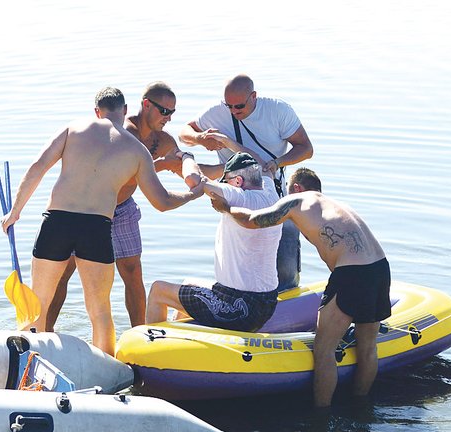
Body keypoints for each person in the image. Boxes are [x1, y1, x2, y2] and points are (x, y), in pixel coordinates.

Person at [1, 87, 203, 356]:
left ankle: (30, 363)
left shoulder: (74, 129)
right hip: (96, 228)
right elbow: (162, 202)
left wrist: (15, 212)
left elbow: (38, 167)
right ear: (125, 111)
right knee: (99, 311)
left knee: (39, 304)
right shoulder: (137, 150)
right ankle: (106, 367)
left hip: (57, 221)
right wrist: (192, 194)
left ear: (96, 111)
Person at [211, 167, 390, 408]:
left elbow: (254, 221)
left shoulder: (296, 200)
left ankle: (321, 416)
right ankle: (361, 407)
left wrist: (226, 208)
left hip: (352, 272)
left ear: (296, 188)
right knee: (368, 347)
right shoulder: (334, 204)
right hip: (380, 268)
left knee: (324, 348)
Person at [45, 82, 194, 330]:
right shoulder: (122, 131)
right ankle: (44, 332)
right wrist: (162, 165)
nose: (168, 118)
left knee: (133, 272)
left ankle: (140, 335)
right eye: (164, 111)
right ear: (146, 105)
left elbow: (187, 171)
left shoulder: (163, 140)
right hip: (90, 210)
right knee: (64, 272)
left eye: (172, 112)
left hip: (123, 209)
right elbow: (126, 173)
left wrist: (215, 177)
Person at [179, 74, 314, 291]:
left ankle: (285, 301)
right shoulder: (216, 112)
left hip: (272, 193)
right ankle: (238, 304)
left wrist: (277, 163)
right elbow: (184, 132)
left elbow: (306, 149)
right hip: (236, 196)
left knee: (285, 264)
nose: (233, 111)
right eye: (228, 105)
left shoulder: (278, 111)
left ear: (254, 96)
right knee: (240, 262)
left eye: (239, 106)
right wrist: (200, 138)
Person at [145, 152, 282, 332]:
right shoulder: (271, 192)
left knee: (158, 291)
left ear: (238, 182)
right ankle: (181, 347)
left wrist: (186, 156)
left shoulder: (238, 196)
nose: (222, 185)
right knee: (189, 284)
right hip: (266, 304)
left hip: (238, 306)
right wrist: (226, 141)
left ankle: (150, 351)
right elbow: (266, 168)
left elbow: (194, 180)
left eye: (226, 180)